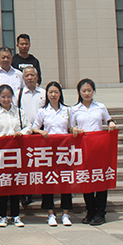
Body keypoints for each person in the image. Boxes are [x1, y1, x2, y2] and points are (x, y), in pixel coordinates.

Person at [71, 78, 117, 226]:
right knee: (87, 180)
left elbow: (108, 120)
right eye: (84, 91)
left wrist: (111, 123)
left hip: (99, 147)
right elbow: (71, 127)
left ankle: (100, 212)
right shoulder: (74, 109)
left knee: (100, 179)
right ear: (79, 92)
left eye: (89, 90)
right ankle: (90, 210)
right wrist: (74, 129)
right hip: (84, 148)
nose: (86, 93)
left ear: (94, 91)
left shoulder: (100, 107)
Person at [0, 84, 33, 228]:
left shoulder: (18, 112)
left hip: (16, 153)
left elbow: (29, 127)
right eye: (3, 97)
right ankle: (2, 216)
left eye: (8, 96)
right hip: (1, 154)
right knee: (3, 185)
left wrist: (22, 133)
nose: (6, 99)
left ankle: (16, 215)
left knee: (15, 185)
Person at [33, 81, 73, 227]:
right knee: (48, 181)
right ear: (47, 95)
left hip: (64, 151)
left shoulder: (68, 110)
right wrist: (40, 131)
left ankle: (65, 213)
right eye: (51, 92)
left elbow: (72, 127)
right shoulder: (42, 111)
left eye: (56, 92)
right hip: (48, 151)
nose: (53, 95)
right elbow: (34, 128)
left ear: (60, 94)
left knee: (65, 182)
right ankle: (50, 213)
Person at [15, 66, 45, 131]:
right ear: (23, 78)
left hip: (41, 130)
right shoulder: (18, 94)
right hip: (24, 130)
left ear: (37, 77)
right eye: (27, 76)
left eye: (32, 75)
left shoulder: (44, 93)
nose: (30, 78)